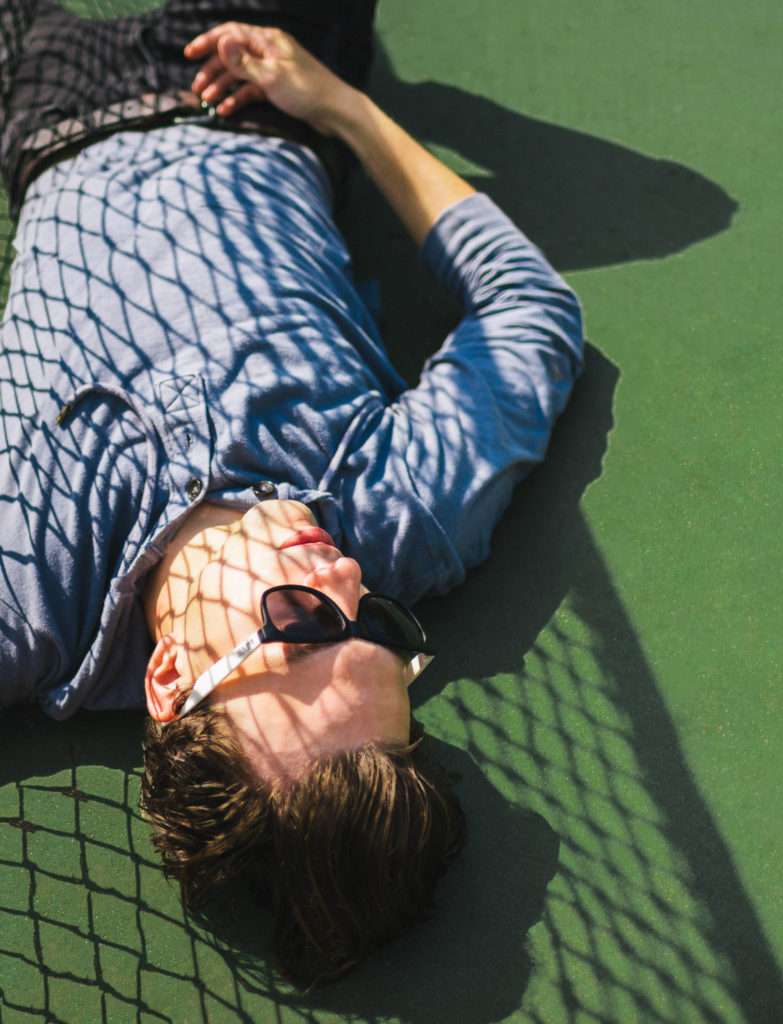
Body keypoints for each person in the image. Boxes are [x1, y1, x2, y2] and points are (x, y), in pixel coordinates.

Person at [0, 0, 584, 988]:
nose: (346, 575)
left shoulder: (31, 597)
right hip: (259, 83)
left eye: (303, 623)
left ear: (169, 676)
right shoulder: (400, 512)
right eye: (375, 630)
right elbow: (531, 312)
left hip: (51, 112)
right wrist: (346, 107)